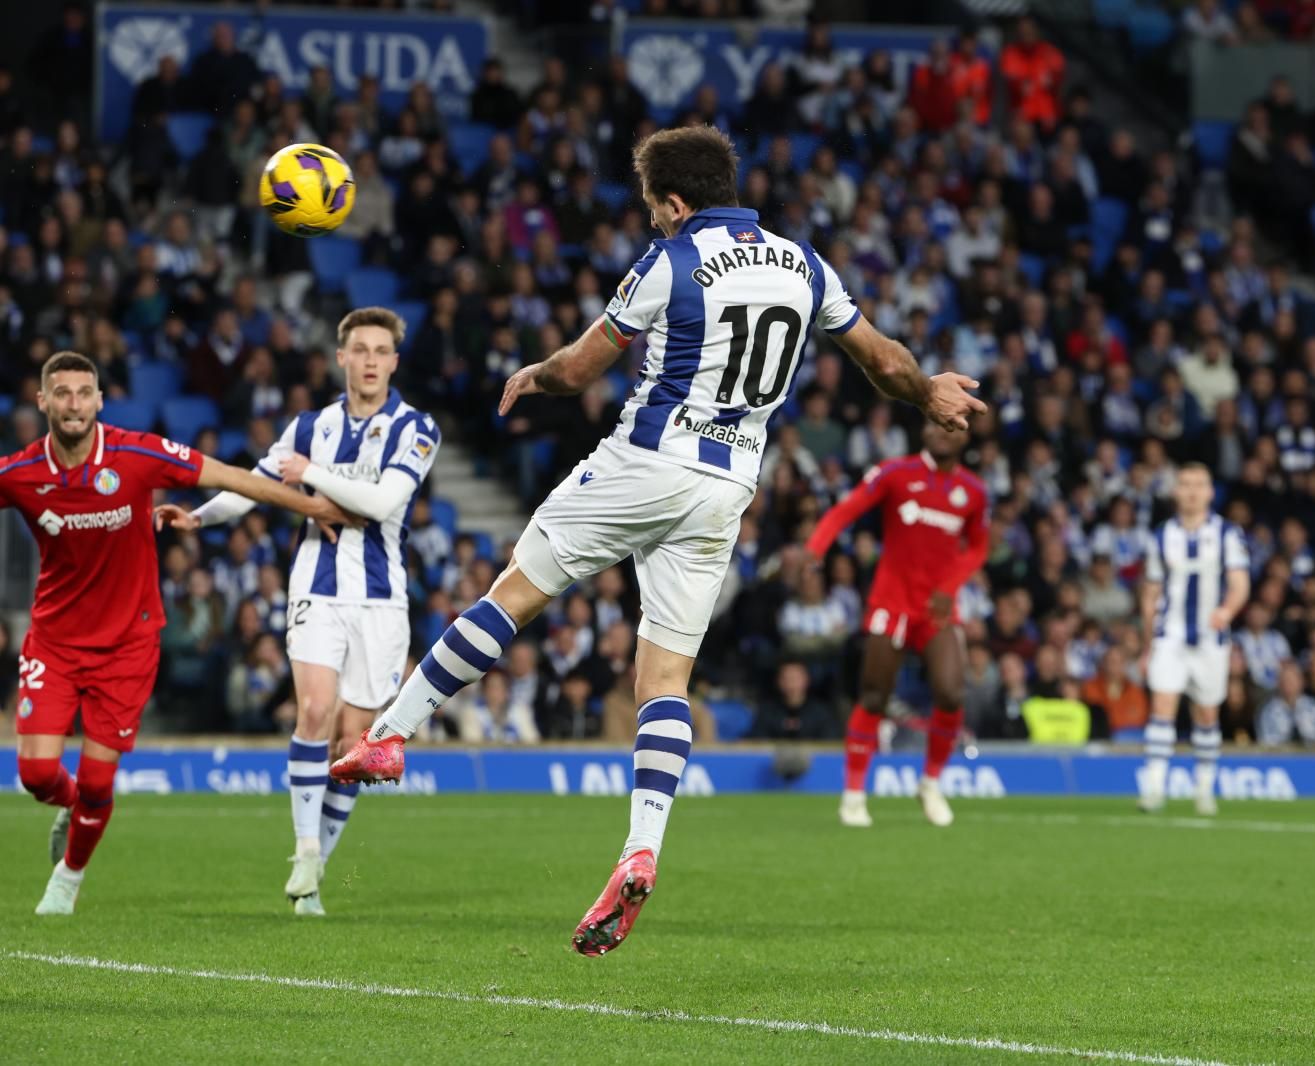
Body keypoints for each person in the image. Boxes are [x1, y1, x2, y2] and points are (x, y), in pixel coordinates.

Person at [330, 126, 983, 955]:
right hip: (726, 491)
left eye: (652, 211)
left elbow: (578, 369)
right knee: (664, 677)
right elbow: (883, 360)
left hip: (645, 461)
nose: (651, 224)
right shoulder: (803, 263)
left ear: (675, 203)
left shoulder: (672, 263)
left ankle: (391, 732)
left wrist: (536, 374)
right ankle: (642, 845)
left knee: (515, 596)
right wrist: (931, 393)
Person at [2, 351, 348, 916]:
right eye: (60, 393)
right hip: (54, 642)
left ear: (98, 400)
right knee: (38, 774)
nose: (72, 404)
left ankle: (68, 879)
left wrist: (311, 507)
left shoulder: (136, 454)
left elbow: (235, 478)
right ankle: (69, 806)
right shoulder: (21, 473)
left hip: (127, 646)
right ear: (42, 401)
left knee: (96, 780)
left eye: (82, 393)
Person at [164, 308, 437, 917]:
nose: (369, 360)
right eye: (358, 349)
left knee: (354, 743)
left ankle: (316, 874)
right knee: (313, 709)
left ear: (394, 361)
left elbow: (384, 501)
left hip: (381, 600)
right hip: (316, 586)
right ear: (340, 357)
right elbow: (254, 488)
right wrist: (198, 517)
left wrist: (311, 481)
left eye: (380, 351)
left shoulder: (415, 428)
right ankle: (305, 852)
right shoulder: (309, 425)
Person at [805, 422, 990, 828]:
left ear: (965, 437)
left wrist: (951, 585)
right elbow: (847, 509)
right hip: (892, 601)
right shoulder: (895, 472)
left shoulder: (973, 492)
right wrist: (815, 548)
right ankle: (854, 794)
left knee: (951, 693)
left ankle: (931, 783)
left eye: (952, 427)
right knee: (874, 696)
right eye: (934, 422)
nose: (941, 432)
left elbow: (978, 545)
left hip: (937, 607)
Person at [1138, 464, 1250, 815]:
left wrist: (1226, 612)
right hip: (1169, 635)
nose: (1191, 491)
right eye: (1185, 484)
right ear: (1176, 491)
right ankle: (1154, 786)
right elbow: (1151, 593)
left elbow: (1240, 583)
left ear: (1210, 492)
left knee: (1205, 713)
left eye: (1198, 484)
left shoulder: (1226, 534)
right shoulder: (1161, 535)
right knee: (1163, 706)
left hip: (1209, 639)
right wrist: (1147, 644)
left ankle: (1204, 787)